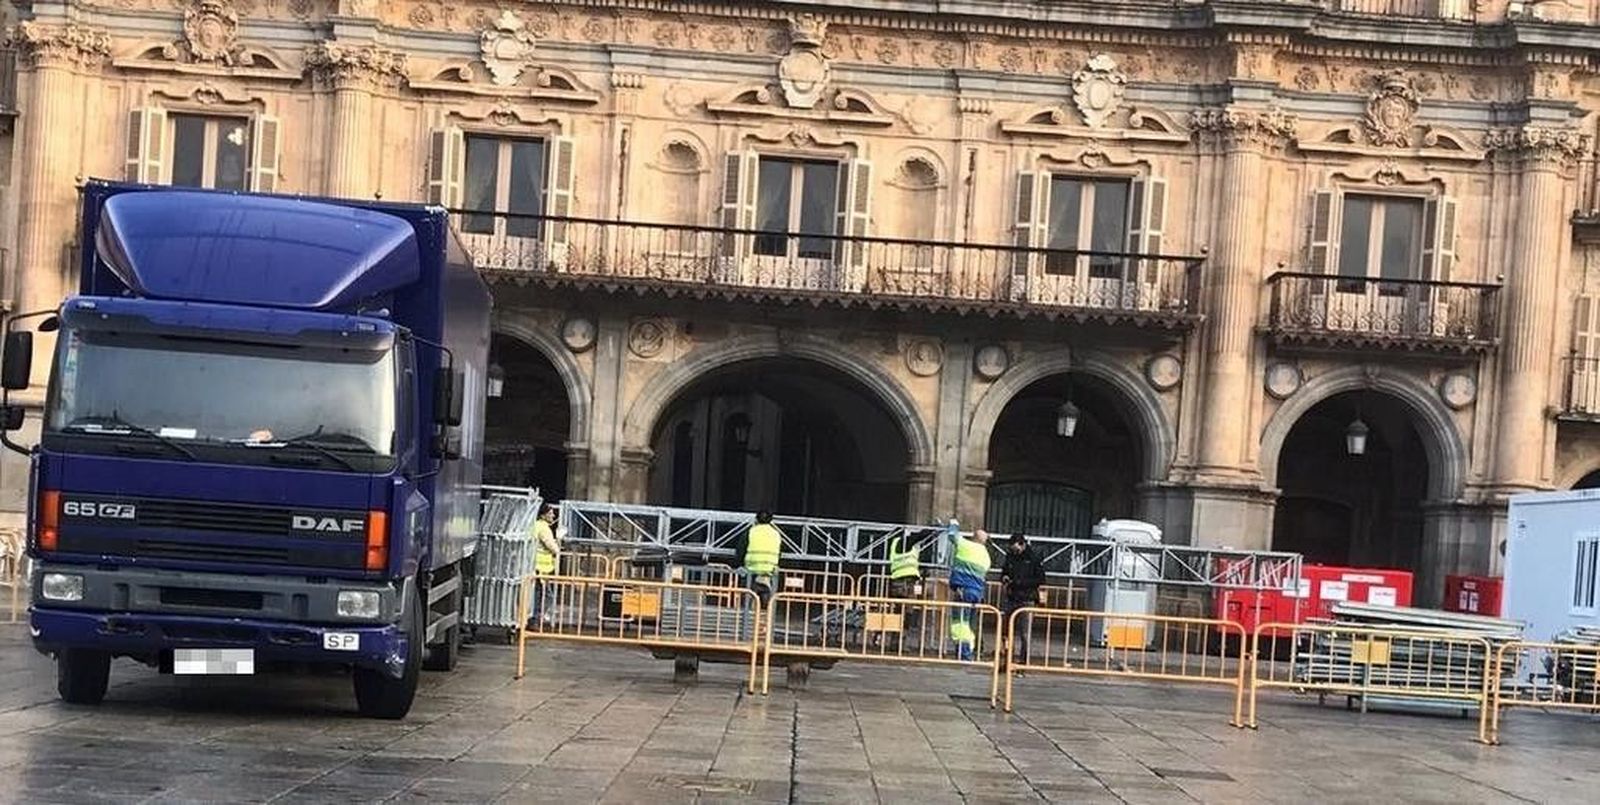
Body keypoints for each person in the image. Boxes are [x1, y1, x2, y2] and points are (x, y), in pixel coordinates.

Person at [946, 520, 991, 661]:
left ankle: (964, 654)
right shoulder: (986, 557)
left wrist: (954, 523)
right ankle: (968, 651)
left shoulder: (966, 545)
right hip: (977, 593)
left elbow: (952, 535)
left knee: (960, 623)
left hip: (962, 591)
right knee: (970, 624)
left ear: (973, 537)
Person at [1000, 533, 1045, 665]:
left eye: (1016, 549)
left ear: (1023, 545)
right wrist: (1004, 577)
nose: (1015, 552)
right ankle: (1007, 658)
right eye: (1012, 549)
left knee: (1025, 633)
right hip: (1011, 597)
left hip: (1027, 598)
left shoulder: (1034, 558)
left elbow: (1040, 579)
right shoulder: (1010, 556)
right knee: (1006, 631)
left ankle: (1023, 661)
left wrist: (1020, 582)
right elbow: (1004, 571)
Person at [735, 509, 782, 606]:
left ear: (756, 519)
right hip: (769, 574)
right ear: (771, 521)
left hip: (751, 573)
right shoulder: (776, 534)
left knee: (747, 604)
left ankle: (748, 614)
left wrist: (739, 565)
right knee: (767, 606)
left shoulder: (750, 532)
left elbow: (740, 550)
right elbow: (779, 553)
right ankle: (766, 614)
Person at [526, 502, 560, 629]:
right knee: (546, 595)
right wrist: (558, 545)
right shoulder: (544, 528)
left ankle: (534, 618)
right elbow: (551, 546)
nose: (553, 516)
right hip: (541, 568)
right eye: (550, 513)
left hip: (536, 566)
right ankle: (535, 619)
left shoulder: (536, 525)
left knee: (539, 594)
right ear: (543, 515)